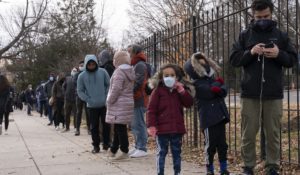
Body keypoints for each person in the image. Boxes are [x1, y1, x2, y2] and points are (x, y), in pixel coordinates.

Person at [229, 0, 297, 174]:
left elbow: (292, 60)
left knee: (273, 132)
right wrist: (250, 53)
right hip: (249, 93)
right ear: (253, 15)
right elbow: (234, 60)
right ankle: (248, 166)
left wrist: (278, 54)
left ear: (271, 14)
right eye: (258, 17)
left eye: (266, 16)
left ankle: (272, 166)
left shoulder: (281, 35)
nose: (262, 19)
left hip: (273, 93)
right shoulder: (245, 35)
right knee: (248, 133)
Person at [184, 52, 230, 175]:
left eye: (206, 64)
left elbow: (224, 90)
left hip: (220, 116)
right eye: (201, 65)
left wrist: (219, 87)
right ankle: (209, 169)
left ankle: (224, 167)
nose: (205, 66)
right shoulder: (196, 84)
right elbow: (209, 92)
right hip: (208, 119)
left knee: (222, 144)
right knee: (210, 145)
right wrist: (217, 86)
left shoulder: (213, 79)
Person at [147, 63, 193, 175]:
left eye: (172, 75)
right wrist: (151, 125)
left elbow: (189, 103)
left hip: (176, 129)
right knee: (161, 152)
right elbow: (151, 110)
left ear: (176, 77)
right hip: (161, 130)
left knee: (177, 152)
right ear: (161, 77)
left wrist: (182, 91)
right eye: (166, 75)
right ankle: (160, 172)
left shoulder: (180, 90)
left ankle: (177, 172)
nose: (169, 77)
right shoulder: (157, 91)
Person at [77, 54, 110, 153]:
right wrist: (88, 99)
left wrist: (106, 97)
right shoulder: (81, 76)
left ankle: (106, 144)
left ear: (96, 63)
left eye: (93, 64)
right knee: (94, 127)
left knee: (106, 125)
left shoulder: (103, 72)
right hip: (91, 105)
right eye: (89, 64)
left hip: (104, 104)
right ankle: (96, 145)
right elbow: (80, 90)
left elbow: (109, 85)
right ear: (86, 64)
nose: (91, 66)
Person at [106, 51, 135, 160]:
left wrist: (109, 100)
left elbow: (116, 89)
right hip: (127, 102)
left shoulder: (119, 72)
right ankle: (113, 149)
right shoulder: (130, 71)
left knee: (120, 128)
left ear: (117, 60)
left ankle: (124, 150)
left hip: (119, 102)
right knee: (119, 126)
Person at [127, 44, 149, 158]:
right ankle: (137, 146)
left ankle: (142, 147)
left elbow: (138, 82)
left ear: (135, 52)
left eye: (129, 51)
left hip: (139, 98)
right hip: (135, 98)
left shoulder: (139, 65)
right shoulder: (135, 64)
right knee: (134, 124)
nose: (128, 54)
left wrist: (128, 91)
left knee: (139, 123)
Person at [74, 61, 91, 136]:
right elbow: (75, 84)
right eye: (81, 65)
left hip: (87, 96)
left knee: (88, 113)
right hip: (79, 96)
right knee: (79, 112)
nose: (82, 66)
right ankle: (77, 129)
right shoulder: (76, 75)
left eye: (83, 65)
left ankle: (89, 129)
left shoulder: (88, 74)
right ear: (79, 66)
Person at [62, 68, 77, 132]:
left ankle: (76, 128)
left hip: (75, 99)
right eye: (73, 71)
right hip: (67, 99)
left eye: (75, 71)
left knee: (76, 114)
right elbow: (63, 86)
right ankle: (67, 127)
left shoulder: (78, 77)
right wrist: (65, 94)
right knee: (67, 114)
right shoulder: (67, 78)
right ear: (71, 71)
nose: (74, 72)